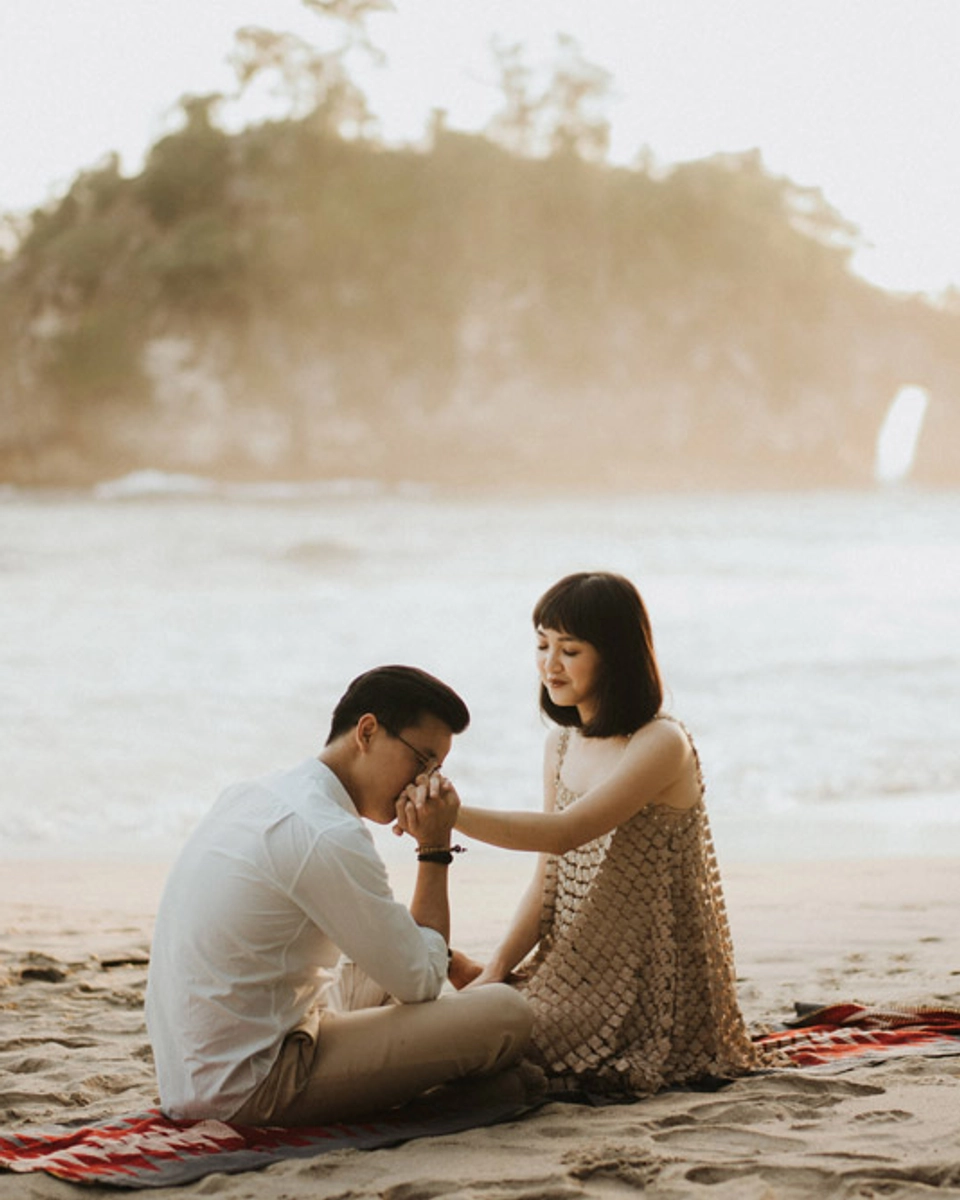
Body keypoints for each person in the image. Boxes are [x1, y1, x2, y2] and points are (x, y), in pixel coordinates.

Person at [400, 573, 762, 1099]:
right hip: (572, 969)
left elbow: (565, 834)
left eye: (569, 650)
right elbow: (548, 878)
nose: (550, 664)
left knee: (469, 1044)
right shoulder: (562, 745)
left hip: (648, 989)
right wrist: (498, 967)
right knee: (441, 996)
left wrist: (447, 815)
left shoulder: (661, 741)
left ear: (616, 657)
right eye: (542, 646)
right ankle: (495, 981)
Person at [145, 665, 533, 1126]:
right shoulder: (327, 831)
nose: (424, 783)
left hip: (193, 1075)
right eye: (421, 761)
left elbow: (408, 960)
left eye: (436, 770)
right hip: (248, 1087)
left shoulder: (255, 793)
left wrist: (436, 960)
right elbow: (422, 982)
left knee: (380, 951)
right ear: (366, 732)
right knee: (507, 1014)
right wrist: (434, 847)